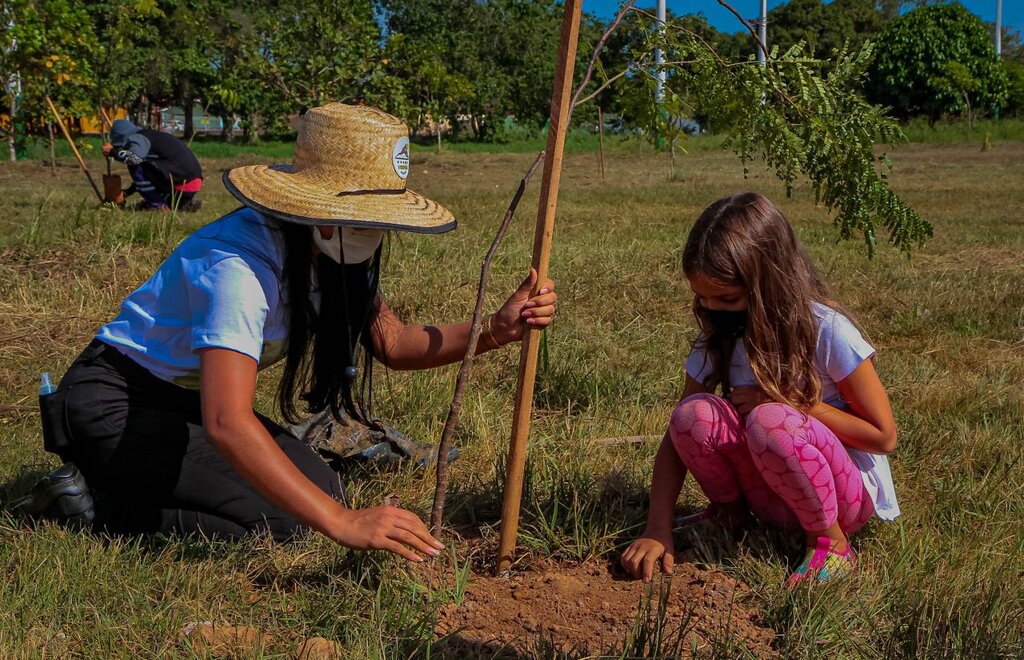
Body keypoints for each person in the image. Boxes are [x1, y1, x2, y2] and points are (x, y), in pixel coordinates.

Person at [27, 103, 557, 563]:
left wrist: (495, 330)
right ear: (316, 210)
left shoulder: (335, 254)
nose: (374, 233)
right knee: (292, 524)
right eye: (363, 218)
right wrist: (342, 523)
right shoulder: (238, 268)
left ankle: (133, 486)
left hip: (184, 402)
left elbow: (396, 343)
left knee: (322, 488)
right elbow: (227, 422)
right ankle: (95, 506)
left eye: (380, 221)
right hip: (114, 405)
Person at [621, 192, 899, 586]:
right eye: (702, 297)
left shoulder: (826, 331)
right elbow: (676, 437)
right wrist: (657, 527)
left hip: (842, 500)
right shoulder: (718, 337)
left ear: (768, 281)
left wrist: (795, 405)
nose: (712, 308)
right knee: (692, 415)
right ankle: (730, 515)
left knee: (772, 421)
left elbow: (883, 437)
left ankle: (830, 544)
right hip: (770, 495)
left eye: (727, 298)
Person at [102, 118, 203, 211]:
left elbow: (134, 159)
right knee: (144, 165)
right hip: (192, 183)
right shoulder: (151, 136)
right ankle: (182, 204)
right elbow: (151, 173)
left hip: (181, 184)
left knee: (135, 166)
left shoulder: (138, 138)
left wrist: (113, 152)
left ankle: (157, 205)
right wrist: (128, 192)